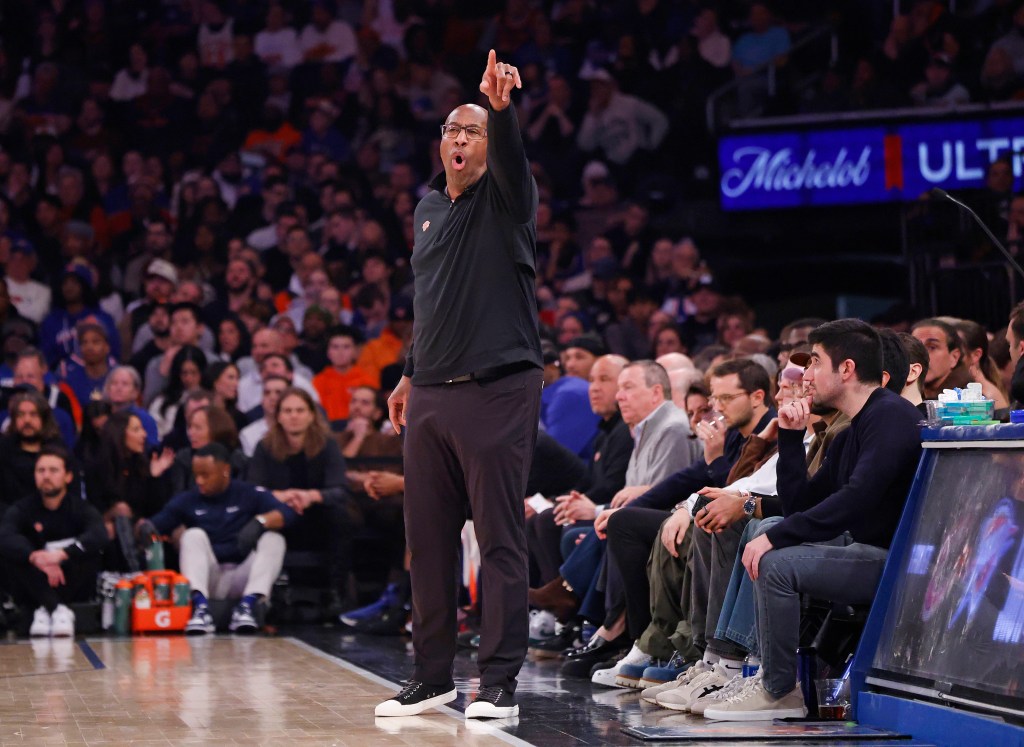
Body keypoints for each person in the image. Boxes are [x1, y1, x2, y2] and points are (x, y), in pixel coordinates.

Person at [376, 50, 544, 721]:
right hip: (432, 391)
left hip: (498, 386)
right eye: (452, 129)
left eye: (471, 131)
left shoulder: (503, 200)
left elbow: (519, 179)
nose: (459, 138)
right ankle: (432, 675)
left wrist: (500, 112)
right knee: (428, 538)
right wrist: (409, 369)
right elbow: (433, 299)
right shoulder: (425, 208)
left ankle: (499, 680)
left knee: (499, 538)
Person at [704, 319, 922, 721]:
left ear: (847, 369)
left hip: (893, 561)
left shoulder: (891, 415)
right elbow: (799, 504)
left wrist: (777, 537)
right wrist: (790, 437)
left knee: (776, 562)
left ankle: (779, 690)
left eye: (815, 362)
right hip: (862, 549)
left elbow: (858, 498)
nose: (805, 375)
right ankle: (754, 673)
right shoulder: (851, 430)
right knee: (770, 539)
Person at [140, 443, 298, 635]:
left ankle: (248, 606)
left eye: (205, 475)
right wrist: (143, 529)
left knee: (274, 539)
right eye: (196, 475)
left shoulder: (248, 493)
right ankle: (200, 609)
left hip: (243, 575)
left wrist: (260, 521)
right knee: (191, 535)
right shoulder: (188, 499)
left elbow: (288, 514)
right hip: (210, 577)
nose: (199, 481)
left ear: (225, 471)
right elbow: (154, 525)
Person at [245, 387, 353, 617]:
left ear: (312, 414)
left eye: (300, 410)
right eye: (288, 410)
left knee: (340, 517)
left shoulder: (328, 445)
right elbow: (253, 490)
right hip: (281, 517)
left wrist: (310, 496)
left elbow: (339, 489)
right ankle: (266, 597)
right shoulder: (264, 447)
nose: (294, 416)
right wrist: (284, 496)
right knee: (259, 523)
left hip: (317, 516)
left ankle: (336, 592)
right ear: (279, 416)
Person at [0, 446, 106, 637]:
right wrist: (33, 557)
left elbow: (98, 534)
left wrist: (62, 555)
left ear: (68, 477)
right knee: (13, 554)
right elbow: (6, 535)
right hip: (34, 581)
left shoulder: (80, 508)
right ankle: (56, 609)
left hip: (71, 581)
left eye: (53, 470)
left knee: (91, 551)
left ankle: (48, 609)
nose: (46, 476)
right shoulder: (23, 508)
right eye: (41, 470)